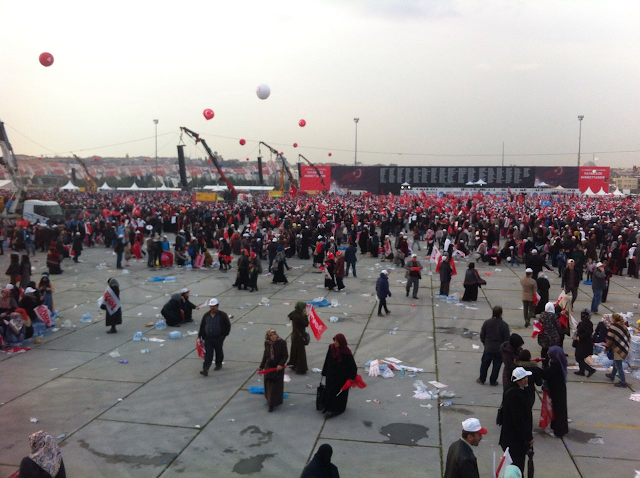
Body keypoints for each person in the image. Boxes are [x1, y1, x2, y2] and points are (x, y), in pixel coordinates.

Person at [499, 367, 534, 472]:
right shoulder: (516, 395)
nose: (527, 379)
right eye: (526, 377)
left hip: (509, 438)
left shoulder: (510, 389)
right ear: (522, 379)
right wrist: (529, 438)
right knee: (517, 467)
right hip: (515, 441)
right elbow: (519, 420)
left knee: (512, 465)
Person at [321, 333, 357, 418]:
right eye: (335, 341)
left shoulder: (346, 353)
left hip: (341, 378)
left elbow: (353, 367)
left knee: (338, 394)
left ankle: (335, 410)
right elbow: (327, 360)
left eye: (337, 341)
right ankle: (328, 407)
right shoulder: (331, 348)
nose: (335, 343)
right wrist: (324, 372)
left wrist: (352, 378)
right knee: (329, 391)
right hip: (331, 375)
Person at [477, 306, 510, 386]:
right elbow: (507, 339)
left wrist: (485, 343)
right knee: (497, 365)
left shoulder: (487, 322)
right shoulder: (504, 325)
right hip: (499, 349)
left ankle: (482, 379)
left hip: (488, 347)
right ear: (501, 314)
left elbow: (482, 334)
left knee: (485, 363)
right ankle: (493, 381)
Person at [198, 298, 231, 376]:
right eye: (211, 306)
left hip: (218, 337)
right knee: (208, 354)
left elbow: (228, 325)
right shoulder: (206, 315)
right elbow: (202, 325)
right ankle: (205, 369)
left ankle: (218, 364)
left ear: (217, 306)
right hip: (208, 338)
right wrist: (200, 335)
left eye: (214, 306)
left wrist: (224, 335)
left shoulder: (222, 315)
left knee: (218, 351)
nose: (212, 308)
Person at [259, 328, 289, 412]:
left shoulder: (282, 343)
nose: (273, 337)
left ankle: (274, 402)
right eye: (271, 335)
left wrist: (281, 364)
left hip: (278, 368)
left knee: (276, 386)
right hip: (269, 366)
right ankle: (270, 402)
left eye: (274, 334)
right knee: (269, 385)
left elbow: (285, 355)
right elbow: (265, 355)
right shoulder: (267, 343)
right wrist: (261, 366)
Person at [544, 345, 569, 438]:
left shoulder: (554, 367)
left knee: (558, 410)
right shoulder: (560, 362)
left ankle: (559, 430)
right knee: (561, 409)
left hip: (556, 391)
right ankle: (559, 428)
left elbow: (547, 374)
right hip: (560, 389)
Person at [605, 312, 630, 388]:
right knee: (616, 362)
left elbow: (609, 339)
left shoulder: (613, 327)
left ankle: (623, 382)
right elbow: (628, 336)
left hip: (618, 348)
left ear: (614, 319)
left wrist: (607, 347)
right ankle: (612, 375)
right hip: (623, 347)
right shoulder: (624, 326)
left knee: (619, 365)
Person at [287, 302, 309, 374]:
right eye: (304, 308)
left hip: (296, 335)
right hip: (299, 337)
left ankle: (294, 364)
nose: (305, 309)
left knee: (295, 350)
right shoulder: (298, 316)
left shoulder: (295, 313)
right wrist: (305, 315)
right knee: (300, 352)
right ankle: (301, 368)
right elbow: (306, 324)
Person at [538, 302, 561, 366]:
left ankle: (543, 363)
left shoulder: (542, 315)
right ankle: (548, 363)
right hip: (552, 337)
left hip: (543, 336)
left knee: (544, 350)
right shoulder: (553, 316)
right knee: (550, 351)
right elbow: (558, 326)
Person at [574, 309, 596, 377]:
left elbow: (588, 332)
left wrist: (580, 337)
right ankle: (581, 371)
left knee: (578, 358)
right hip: (585, 343)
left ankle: (590, 369)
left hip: (583, 343)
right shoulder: (588, 322)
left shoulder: (584, 323)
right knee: (580, 357)